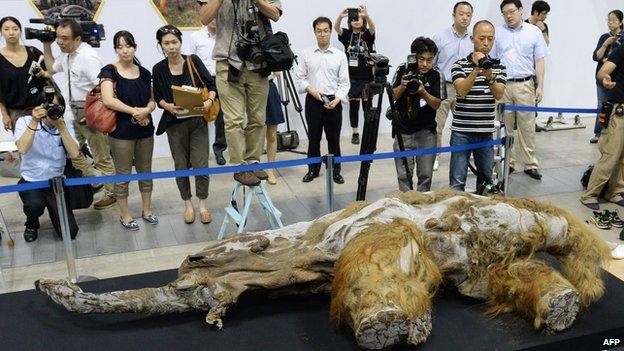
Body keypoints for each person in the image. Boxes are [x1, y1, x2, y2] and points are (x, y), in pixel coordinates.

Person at [198, 0, 282, 186]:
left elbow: (275, 14)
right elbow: (204, 18)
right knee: (234, 119)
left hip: (258, 63)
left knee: (258, 118)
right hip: (228, 63)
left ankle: (252, 161)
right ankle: (239, 166)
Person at [41, 18, 117, 209]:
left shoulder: (88, 57)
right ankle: (94, 181)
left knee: (102, 157)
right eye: (58, 37)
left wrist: (94, 113)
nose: (60, 42)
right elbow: (51, 69)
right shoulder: (67, 54)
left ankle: (112, 193)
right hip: (72, 115)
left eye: (64, 38)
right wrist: (46, 46)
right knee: (73, 153)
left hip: (89, 114)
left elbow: (103, 87)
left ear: (77, 39)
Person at [152, 25, 216, 225]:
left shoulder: (192, 61)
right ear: (161, 46)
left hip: (197, 121)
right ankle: (188, 205)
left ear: (180, 42)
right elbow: (159, 96)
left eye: (174, 42)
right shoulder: (159, 68)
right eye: (166, 43)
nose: (171, 47)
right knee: (180, 165)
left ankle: (203, 205)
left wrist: (208, 101)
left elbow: (212, 86)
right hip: (174, 123)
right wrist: (167, 106)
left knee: (201, 163)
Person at [100, 31, 157, 231]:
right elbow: (108, 100)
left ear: (135, 47)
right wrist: (135, 112)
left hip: (145, 129)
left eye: (128, 46)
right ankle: (125, 215)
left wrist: (147, 110)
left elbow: (152, 100)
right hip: (121, 131)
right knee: (123, 174)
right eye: (120, 47)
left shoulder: (144, 72)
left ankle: (147, 211)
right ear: (115, 49)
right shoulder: (109, 71)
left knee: (146, 172)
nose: (124, 50)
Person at [492, 0, 549, 180]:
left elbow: (540, 60)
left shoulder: (534, 32)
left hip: (525, 84)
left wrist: (540, 86)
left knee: (527, 125)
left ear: (521, 10)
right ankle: (508, 162)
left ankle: (530, 164)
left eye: (511, 11)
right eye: (504, 13)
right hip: (503, 86)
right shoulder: (497, 33)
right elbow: (492, 61)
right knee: (504, 126)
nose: (508, 15)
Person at [15, 90, 80, 242]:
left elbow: (75, 154)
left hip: (55, 182)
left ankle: (55, 212)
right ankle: (31, 223)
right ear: (40, 106)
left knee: (70, 233)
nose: (54, 110)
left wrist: (62, 128)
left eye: (58, 106)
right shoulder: (24, 122)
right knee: (34, 205)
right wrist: (34, 122)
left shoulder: (65, 125)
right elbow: (22, 149)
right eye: (50, 106)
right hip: (31, 179)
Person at [449, 20, 506, 192]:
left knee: (486, 183)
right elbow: (461, 91)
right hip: (461, 132)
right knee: (457, 182)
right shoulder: (459, 65)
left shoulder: (499, 66)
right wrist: (475, 69)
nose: (486, 43)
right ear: (472, 39)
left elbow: (498, 94)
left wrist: (489, 74)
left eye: (490, 39)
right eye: (482, 38)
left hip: (485, 133)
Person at [296, 17, 350, 184]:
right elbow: (300, 78)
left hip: (333, 102)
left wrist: (338, 99)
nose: (322, 34)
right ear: (314, 32)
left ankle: (335, 171)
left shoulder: (340, 55)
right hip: (313, 101)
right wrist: (310, 89)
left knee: (333, 139)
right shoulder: (306, 54)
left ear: (330, 31)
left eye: (325, 30)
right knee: (313, 138)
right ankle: (313, 170)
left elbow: (344, 82)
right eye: (319, 31)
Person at [391, 37, 446, 192]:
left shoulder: (436, 74)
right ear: (414, 56)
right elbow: (392, 97)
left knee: (426, 176)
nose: (424, 64)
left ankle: (422, 208)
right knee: (403, 176)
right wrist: (402, 86)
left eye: (429, 60)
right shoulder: (403, 69)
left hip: (426, 131)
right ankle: (406, 206)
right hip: (403, 130)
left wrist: (423, 91)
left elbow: (436, 104)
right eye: (421, 59)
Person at [580, 43, 624, 211]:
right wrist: (605, 79)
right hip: (618, 111)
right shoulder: (622, 49)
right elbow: (603, 72)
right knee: (610, 155)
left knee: (622, 158)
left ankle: (616, 192)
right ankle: (590, 194)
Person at [432, 1, 474, 172]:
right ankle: (435, 156)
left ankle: (466, 153)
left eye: (468, 14)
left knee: (465, 124)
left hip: (465, 88)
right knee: (437, 125)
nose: (465, 17)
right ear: (454, 15)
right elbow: (432, 64)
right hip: (444, 87)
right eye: (461, 14)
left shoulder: (473, 39)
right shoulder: (440, 37)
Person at [334, 4, 376, 145]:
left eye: (359, 18)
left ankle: (368, 131)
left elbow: (373, 28)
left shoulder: (367, 35)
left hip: (366, 76)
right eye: (353, 19)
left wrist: (366, 15)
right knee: (354, 106)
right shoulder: (346, 35)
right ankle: (355, 132)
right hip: (351, 77)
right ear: (349, 21)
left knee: (367, 106)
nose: (356, 20)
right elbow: (336, 29)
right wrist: (341, 16)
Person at [188, 19, 227, 165]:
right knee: (198, 116)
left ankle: (219, 151)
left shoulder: (226, 35)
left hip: (223, 78)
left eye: (218, 16)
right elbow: (189, 61)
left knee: (221, 118)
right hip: (202, 81)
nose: (215, 19)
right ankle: (195, 154)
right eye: (211, 15)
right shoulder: (195, 37)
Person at [0, 17, 49, 132]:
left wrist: (44, 73)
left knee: (47, 145)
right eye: (6, 29)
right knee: (24, 146)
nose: (11, 33)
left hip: (40, 109)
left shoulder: (34, 52)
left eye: (15, 29)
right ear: (1, 32)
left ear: (20, 31)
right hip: (15, 113)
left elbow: (49, 75)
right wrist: (4, 114)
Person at [591, 10, 623, 144]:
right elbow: (596, 57)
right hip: (602, 78)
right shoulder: (604, 37)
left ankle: (614, 134)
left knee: (616, 108)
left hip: (617, 81)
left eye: (613, 20)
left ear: (621, 22)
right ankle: (599, 133)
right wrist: (606, 44)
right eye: (608, 20)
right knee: (601, 106)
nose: (610, 22)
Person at [264, 73, 285, 185]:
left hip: (269, 87)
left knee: (272, 134)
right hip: (251, 87)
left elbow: (278, 71)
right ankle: (253, 168)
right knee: (254, 134)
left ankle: (270, 169)